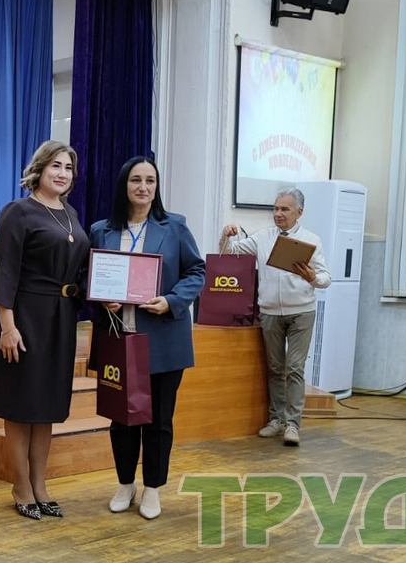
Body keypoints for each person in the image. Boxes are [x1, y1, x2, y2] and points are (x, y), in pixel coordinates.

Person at [88, 156, 205, 520]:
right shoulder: (101, 230)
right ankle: (125, 483)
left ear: (157, 187)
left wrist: (171, 301)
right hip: (118, 339)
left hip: (163, 341)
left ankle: (153, 488)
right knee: (121, 419)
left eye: (150, 181)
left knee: (158, 421)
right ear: (124, 185)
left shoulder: (175, 226)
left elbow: (196, 271)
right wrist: (100, 297)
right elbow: (88, 275)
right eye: (136, 180)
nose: (143, 187)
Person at [0, 140, 89, 521]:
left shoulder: (71, 213)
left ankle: (40, 484)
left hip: (61, 319)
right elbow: (4, 271)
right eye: (56, 166)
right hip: (26, 317)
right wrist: (7, 327)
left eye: (68, 168)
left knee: (46, 407)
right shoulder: (18, 211)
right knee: (21, 406)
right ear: (40, 169)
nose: (62, 173)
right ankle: (21, 486)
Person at [221, 186, 331, 448]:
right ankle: (276, 419)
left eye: (284, 209)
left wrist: (313, 278)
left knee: (294, 368)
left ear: (299, 212)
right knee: (274, 368)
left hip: (302, 312)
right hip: (270, 312)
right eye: (276, 208)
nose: (278, 213)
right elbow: (228, 253)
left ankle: (293, 424)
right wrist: (225, 235)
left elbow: (326, 278)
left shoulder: (311, 240)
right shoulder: (262, 237)